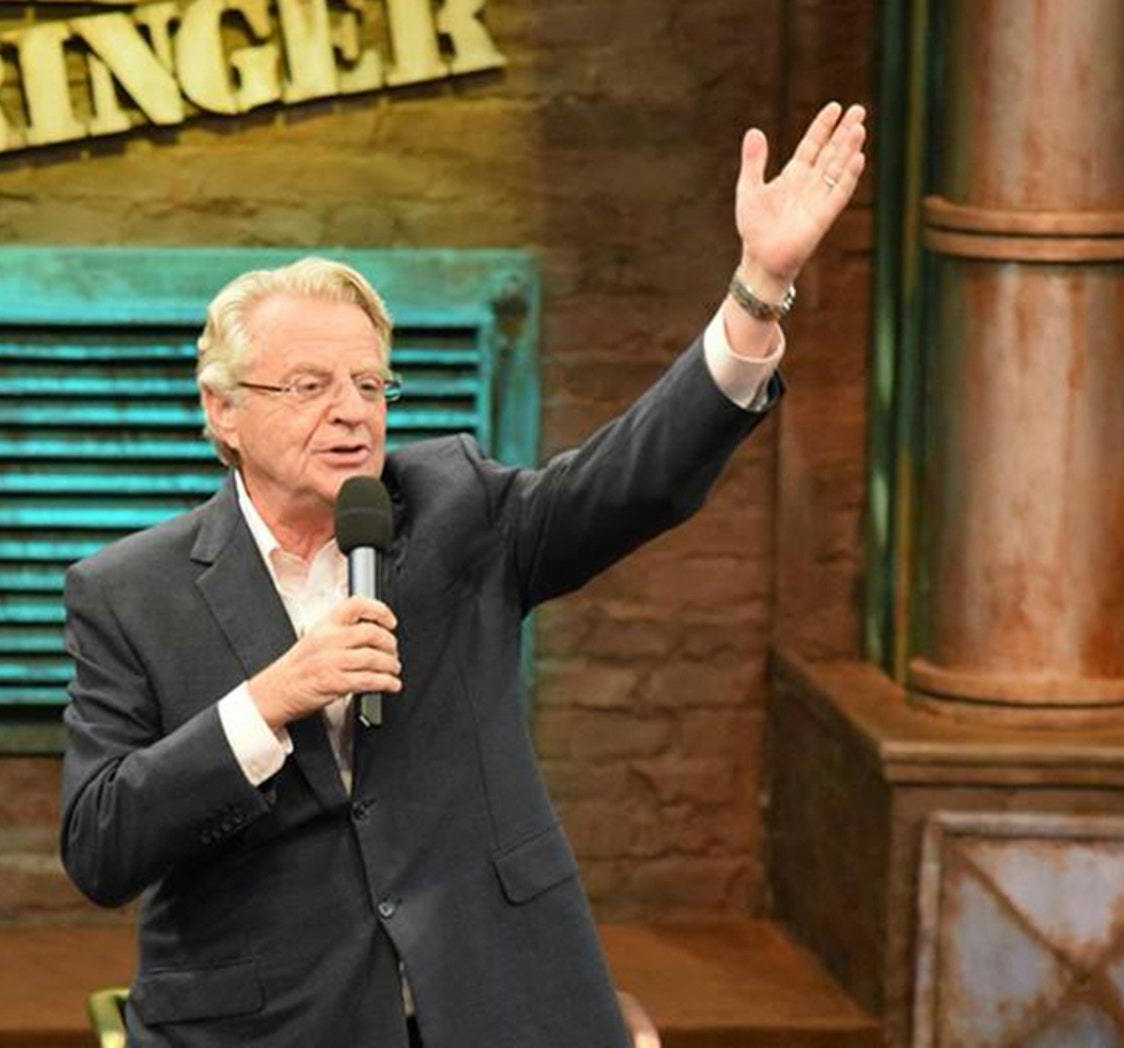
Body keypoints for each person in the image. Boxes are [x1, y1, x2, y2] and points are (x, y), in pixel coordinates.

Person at [58, 103, 868, 1047]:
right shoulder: (128, 590)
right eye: (309, 386)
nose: (351, 412)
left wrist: (760, 286)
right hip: (272, 1023)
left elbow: (630, 479)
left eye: (370, 384)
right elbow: (102, 844)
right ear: (223, 412)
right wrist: (267, 702)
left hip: (499, 996)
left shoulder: (455, 508)